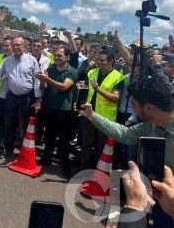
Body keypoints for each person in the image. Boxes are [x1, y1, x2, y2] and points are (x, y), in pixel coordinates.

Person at [80, 76, 174, 227]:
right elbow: (125, 134)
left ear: (150, 108)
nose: (132, 109)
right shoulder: (149, 125)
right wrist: (92, 115)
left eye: (134, 105)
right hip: (156, 202)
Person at [78, 48, 124, 169]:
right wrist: (84, 86)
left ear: (111, 61)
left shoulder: (118, 77)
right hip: (89, 114)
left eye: (102, 60)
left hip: (105, 118)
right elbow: (89, 88)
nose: (99, 62)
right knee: (86, 142)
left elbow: (115, 97)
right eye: (98, 59)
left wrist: (98, 89)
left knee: (101, 146)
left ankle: (98, 172)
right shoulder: (93, 72)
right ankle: (83, 168)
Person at [36, 45, 77, 177]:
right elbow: (45, 86)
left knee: (64, 139)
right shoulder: (51, 69)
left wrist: (47, 79)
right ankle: (46, 158)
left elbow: (64, 87)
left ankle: (64, 165)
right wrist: (42, 81)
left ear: (67, 57)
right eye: (56, 55)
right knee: (49, 135)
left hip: (64, 110)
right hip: (50, 107)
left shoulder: (72, 71)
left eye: (60, 55)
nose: (57, 58)